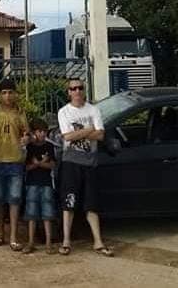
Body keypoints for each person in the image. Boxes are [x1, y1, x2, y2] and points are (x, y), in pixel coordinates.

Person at [57, 78, 113, 257]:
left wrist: (80, 133)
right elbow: (67, 137)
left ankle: (98, 241)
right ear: (69, 92)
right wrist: (89, 130)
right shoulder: (64, 112)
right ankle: (66, 241)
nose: (77, 91)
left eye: (80, 88)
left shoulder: (93, 109)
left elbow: (101, 135)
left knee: (91, 204)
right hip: (71, 162)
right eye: (73, 89)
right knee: (69, 202)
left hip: (90, 162)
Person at [0, 78, 28, 251]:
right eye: (4, 93)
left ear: (15, 94)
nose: (7, 96)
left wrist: (27, 138)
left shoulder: (20, 113)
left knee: (15, 199)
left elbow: (27, 134)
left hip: (16, 161)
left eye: (10, 92)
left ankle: (13, 236)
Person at [22, 117, 56, 255]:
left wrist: (40, 164)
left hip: (46, 183)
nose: (42, 134)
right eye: (39, 131)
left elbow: (52, 165)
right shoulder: (29, 148)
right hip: (31, 183)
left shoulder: (49, 146)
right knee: (31, 213)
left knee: (47, 214)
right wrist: (39, 163)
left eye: (44, 131)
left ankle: (49, 242)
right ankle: (31, 242)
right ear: (33, 132)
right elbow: (26, 167)